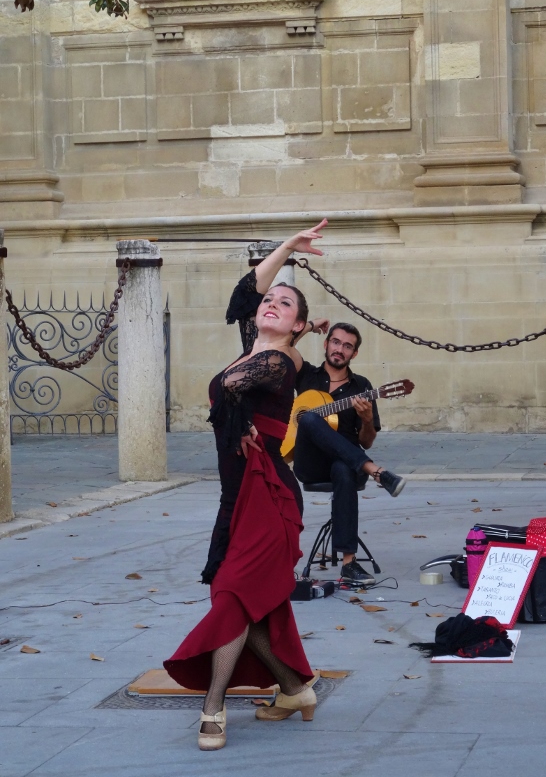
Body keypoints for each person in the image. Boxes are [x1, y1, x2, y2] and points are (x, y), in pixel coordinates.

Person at [164, 221, 328, 751]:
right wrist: (285, 249)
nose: (273, 304)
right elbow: (243, 295)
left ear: (300, 326)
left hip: (271, 496)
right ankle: (295, 689)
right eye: (271, 299)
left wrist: (241, 403)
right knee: (248, 601)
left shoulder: (283, 359)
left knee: (232, 598)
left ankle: (213, 710)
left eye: (287, 304)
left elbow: (236, 384)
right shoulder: (252, 346)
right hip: (236, 496)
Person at [292, 321, 406, 586]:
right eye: (336, 342)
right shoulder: (307, 375)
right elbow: (283, 345)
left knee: (343, 470)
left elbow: (366, 442)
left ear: (354, 354)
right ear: (326, 343)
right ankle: (376, 472)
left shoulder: (362, 387)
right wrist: (308, 326)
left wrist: (366, 420)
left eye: (347, 346)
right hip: (309, 462)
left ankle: (349, 565)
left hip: (345, 462)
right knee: (308, 420)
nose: (339, 349)